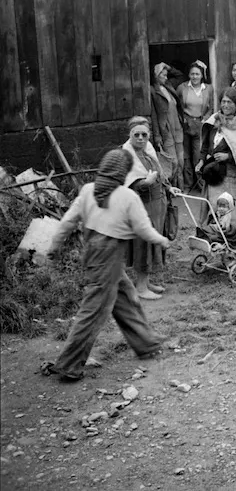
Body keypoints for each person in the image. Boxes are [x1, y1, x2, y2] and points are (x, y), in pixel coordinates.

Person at [39, 149, 169, 382]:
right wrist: (161, 239)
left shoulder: (88, 190)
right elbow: (143, 228)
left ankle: (146, 342)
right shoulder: (127, 196)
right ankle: (69, 364)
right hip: (110, 256)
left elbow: (68, 221)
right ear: (124, 172)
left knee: (126, 296)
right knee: (93, 312)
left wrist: (54, 246)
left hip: (92, 253)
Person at [122, 117, 168, 300]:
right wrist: (144, 183)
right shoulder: (127, 155)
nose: (141, 138)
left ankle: (145, 281)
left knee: (151, 242)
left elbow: (159, 173)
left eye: (144, 134)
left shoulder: (147, 151)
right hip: (141, 207)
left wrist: (167, 187)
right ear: (130, 136)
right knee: (143, 243)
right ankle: (141, 288)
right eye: (137, 135)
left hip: (155, 205)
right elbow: (125, 185)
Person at [198, 87, 236, 220]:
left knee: (233, 212)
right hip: (215, 175)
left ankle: (235, 237)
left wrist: (228, 156)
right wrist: (202, 160)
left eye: (229, 102)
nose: (225, 105)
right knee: (216, 208)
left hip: (234, 177)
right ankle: (217, 236)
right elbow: (206, 144)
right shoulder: (215, 120)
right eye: (223, 101)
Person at [176, 61, 214, 192]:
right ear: (189, 75)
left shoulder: (208, 88)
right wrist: (184, 119)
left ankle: (201, 184)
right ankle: (188, 185)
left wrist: (205, 118)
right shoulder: (182, 87)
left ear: (202, 75)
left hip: (200, 125)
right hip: (186, 124)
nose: (195, 77)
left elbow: (212, 106)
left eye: (197, 74)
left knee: (198, 156)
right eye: (192, 74)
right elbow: (178, 106)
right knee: (186, 156)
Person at [150, 62, 185, 188]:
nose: (166, 77)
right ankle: (171, 188)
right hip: (166, 129)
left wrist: (168, 67)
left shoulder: (169, 85)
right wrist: (157, 136)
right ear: (156, 76)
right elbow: (154, 115)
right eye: (163, 75)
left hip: (178, 127)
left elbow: (180, 76)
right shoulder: (152, 90)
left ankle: (181, 188)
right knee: (173, 162)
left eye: (166, 75)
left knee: (181, 161)